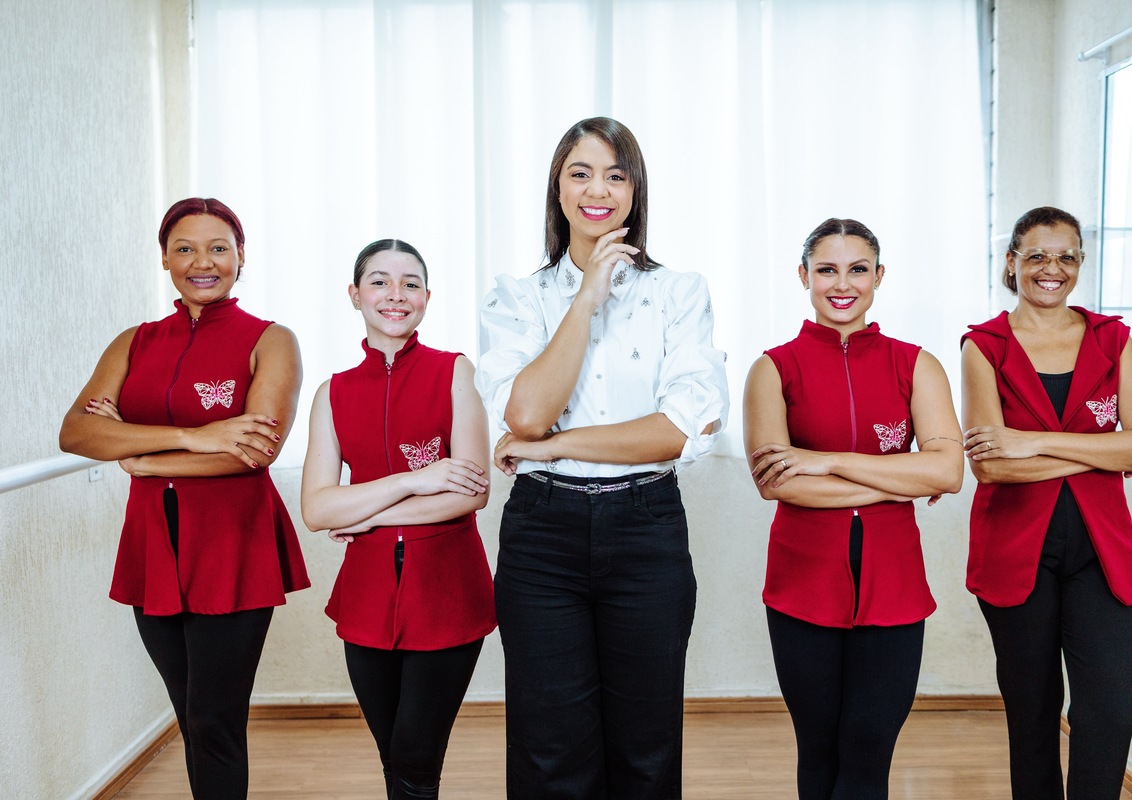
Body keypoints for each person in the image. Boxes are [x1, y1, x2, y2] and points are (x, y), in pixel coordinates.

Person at [475, 116, 729, 799]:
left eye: (616, 174)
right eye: (580, 172)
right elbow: (523, 411)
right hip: (542, 535)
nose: (598, 189)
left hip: (646, 528)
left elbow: (676, 432)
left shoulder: (679, 292)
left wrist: (549, 446)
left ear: (635, 190)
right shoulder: (517, 297)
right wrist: (587, 297)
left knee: (646, 748)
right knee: (549, 747)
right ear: (557, 189)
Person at [58, 197, 309, 799]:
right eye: (186, 248)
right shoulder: (134, 342)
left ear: (241, 258)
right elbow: (77, 432)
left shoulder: (271, 340)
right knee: (189, 713)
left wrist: (139, 455)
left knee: (213, 719)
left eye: (219, 247)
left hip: (234, 545)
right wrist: (194, 435)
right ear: (165, 259)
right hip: (153, 546)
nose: (204, 261)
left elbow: (254, 450)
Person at [742, 218, 963, 799]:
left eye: (858, 269)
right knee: (818, 749)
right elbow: (778, 484)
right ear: (804, 277)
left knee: (869, 749)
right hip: (801, 585)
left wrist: (822, 460)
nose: (843, 284)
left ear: (879, 277)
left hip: (895, 587)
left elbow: (947, 471)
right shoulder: (772, 368)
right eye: (827, 270)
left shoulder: (917, 364)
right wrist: (899, 481)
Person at [961, 206, 1132, 799]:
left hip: (1101, 553)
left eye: (1067, 256)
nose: (1053, 269)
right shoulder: (985, 347)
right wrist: (1105, 452)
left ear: (1080, 262)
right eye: (1037, 256)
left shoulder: (1112, 339)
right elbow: (992, 464)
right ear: (1012, 263)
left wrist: (1037, 442)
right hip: (1014, 552)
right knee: (1032, 713)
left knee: (1107, 711)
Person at [300, 239, 496, 800]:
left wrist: (363, 513)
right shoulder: (331, 393)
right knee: (394, 757)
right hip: (366, 599)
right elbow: (317, 509)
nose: (396, 294)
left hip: (447, 592)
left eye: (411, 283)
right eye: (380, 281)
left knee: (415, 755)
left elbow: (469, 493)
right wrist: (413, 480)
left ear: (428, 299)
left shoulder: (455, 372)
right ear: (355, 294)